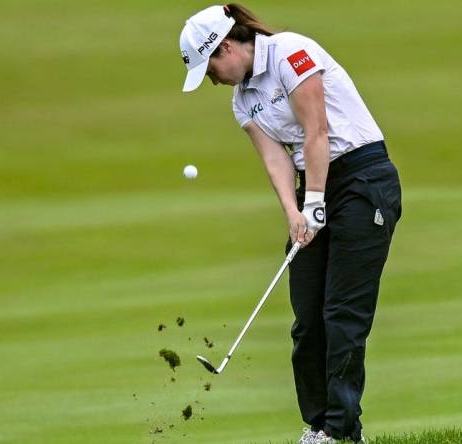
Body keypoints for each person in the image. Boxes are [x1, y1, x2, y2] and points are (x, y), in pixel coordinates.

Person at [178, 4, 402, 443]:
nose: (213, 79)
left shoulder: (290, 52)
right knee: (307, 319)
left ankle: (341, 431)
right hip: (313, 186)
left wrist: (316, 199)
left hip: (363, 179)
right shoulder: (242, 101)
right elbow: (275, 158)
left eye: (211, 69)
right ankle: (317, 426)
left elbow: (316, 129)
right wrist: (295, 212)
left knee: (342, 314)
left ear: (226, 46)